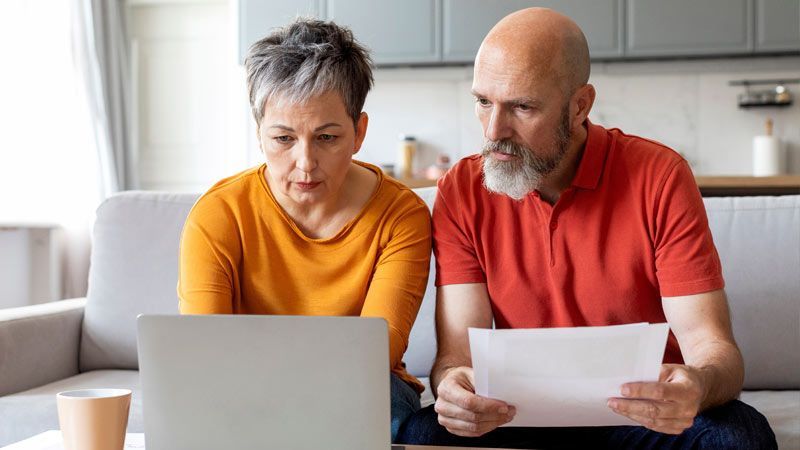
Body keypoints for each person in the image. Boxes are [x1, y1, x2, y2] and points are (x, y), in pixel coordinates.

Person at [397, 7, 776, 449]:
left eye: (522, 106)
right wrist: (454, 388)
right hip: (519, 414)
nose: (494, 131)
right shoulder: (462, 189)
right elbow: (455, 358)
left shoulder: (659, 176)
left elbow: (714, 349)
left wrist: (696, 385)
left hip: (644, 416)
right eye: (483, 102)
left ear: (580, 106)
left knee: (739, 439)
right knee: (420, 434)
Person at [177, 19, 431, 441]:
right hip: (245, 390)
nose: (305, 162)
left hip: (366, 388)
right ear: (259, 133)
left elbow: (376, 350)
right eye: (283, 139)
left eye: (327, 137)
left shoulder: (401, 215)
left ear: (359, 133)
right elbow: (207, 354)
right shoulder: (219, 215)